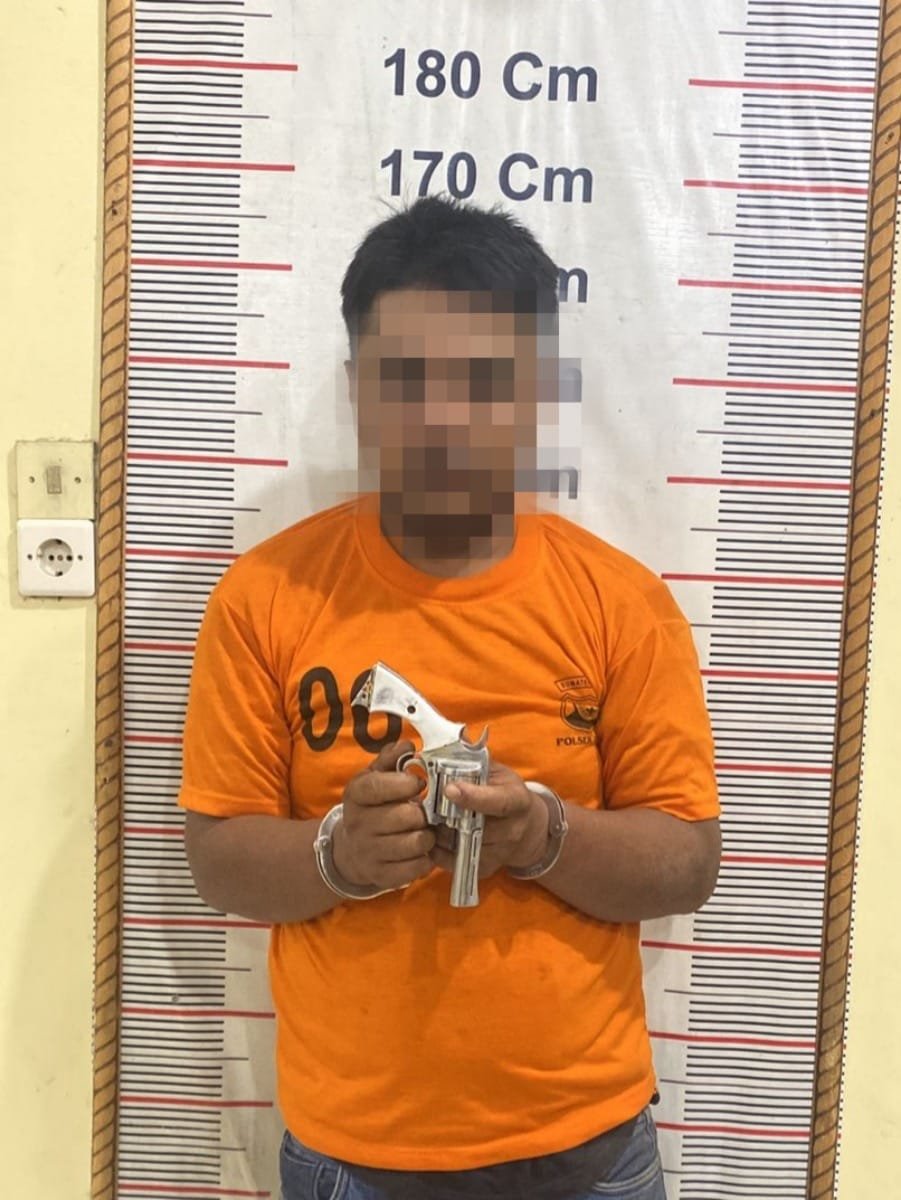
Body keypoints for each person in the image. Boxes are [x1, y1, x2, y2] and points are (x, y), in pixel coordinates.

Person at [180, 196, 722, 1200]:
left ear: (537, 392)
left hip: (592, 1144)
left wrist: (544, 834)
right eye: (403, 378)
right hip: (352, 1153)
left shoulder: (622, 603)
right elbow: (217, 855)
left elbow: (686, 861)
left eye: (483, 380)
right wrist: (338, 856)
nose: (440, 418)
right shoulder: (262, 598)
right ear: (357, 386)